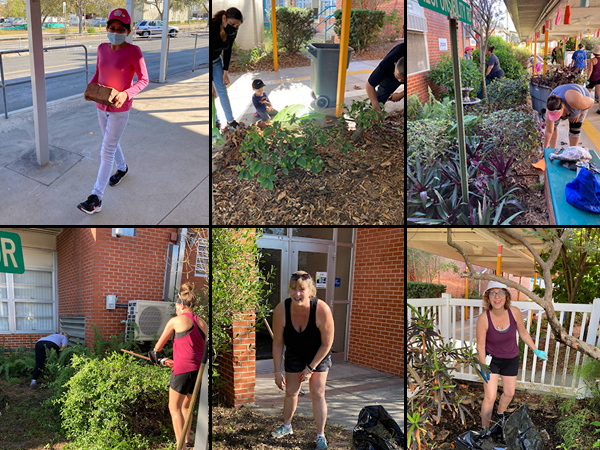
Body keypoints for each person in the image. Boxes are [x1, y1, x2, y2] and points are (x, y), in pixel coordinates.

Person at [78, 8, 148, 214]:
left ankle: (96, 197)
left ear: (128, 31)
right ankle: (123, 168)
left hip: (120, 108)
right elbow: (99, 73)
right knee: (110, 141)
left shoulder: (134, 52)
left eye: (120, 29)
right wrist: (90, 89)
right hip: (100, 105)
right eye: (112, 28)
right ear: (107, 28)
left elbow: (144, 80)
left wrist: (127, 94)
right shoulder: (101, 48)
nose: (115, 32)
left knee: (106, 150)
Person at [271, 271, 335, 450]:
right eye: (293, 289)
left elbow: (327, 344)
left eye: (301, 289)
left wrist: (311, 368)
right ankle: (287, 426)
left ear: (310, 291)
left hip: (318, 354)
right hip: (295, 354)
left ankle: (321, 436)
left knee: (317, 393)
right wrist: (277, 371)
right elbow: (277, 344)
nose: (297, 294)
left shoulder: (322, 310)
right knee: (291, 391)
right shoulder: (281, 310)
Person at [476, 281, 548, 433]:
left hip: (511, 359)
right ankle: (484, 429)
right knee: (490, 396)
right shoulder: (484, 318)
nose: (497, 297)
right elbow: (480, 346)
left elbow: (523, 333)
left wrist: (536, 350)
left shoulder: (514, 312)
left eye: (500, 292)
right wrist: (483, 367)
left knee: (509, 393)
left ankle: (500, 414)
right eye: (493, 293)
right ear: (487, 298)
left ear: (506, 296)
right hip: (492, 360)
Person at [151, 283, 208, 449]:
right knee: (186, 407)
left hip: (183, 370)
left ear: (181, 305)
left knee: (174, 408)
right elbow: (195, 349)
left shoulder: (176, 321)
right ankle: (187, 442)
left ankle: (180, 446)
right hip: (197, 370)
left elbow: (157, 349)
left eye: (176, 306)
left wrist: (155, 356)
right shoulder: (202, 322)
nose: (175, 309)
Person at [211, 8, 243, 130]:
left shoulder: (233, 32)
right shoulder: (213, 28)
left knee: (222, 90)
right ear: (224, 18)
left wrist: (225, 72)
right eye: (232, 24)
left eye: (237, 25)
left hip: (216, 61)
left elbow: (228, 50)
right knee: (211, 94)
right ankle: (215, 121)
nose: (234, 27)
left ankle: (230, 121)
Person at [543, 84, 594, 149]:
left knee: (574, 128)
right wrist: (545, 149)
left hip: (582, 101)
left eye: (556, 115)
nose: (556, 117)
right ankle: (553, 149)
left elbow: (591, 102)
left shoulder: (575, 102)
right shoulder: (550, 106)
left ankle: (572, 150)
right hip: (561, 95)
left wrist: (579, 112)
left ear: (562, 107)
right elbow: (549, 131)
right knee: (553, 126)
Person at [366, 42, 405, 116]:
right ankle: (365, 121)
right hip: (390, 76)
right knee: (380, 96)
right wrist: (375, 106)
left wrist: (401, 94)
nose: (400, 81)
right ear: (395, 64)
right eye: (398, 77)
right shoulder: (386, 65)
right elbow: (369, 85)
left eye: (403, 80)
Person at [587, 44, 600, 111]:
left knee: (586, 93)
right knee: (599, 94)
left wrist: (587, 78)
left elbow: (590, 70)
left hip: (593, 79)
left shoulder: (592, 60)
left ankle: (584, 107)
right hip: (599, 79)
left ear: (594, 53)